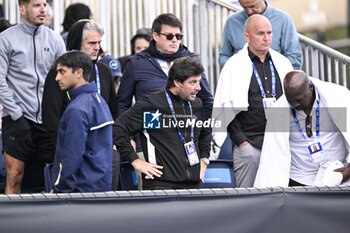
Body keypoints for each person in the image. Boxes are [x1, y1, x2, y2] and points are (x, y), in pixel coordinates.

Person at [212, 15, 293, 187]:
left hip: (279, 145)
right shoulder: (234, 65)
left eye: (269, 33)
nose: (266, 38)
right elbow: (225, 107)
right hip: (249, 146)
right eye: (260, 33)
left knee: (280, 198)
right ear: (247, 37)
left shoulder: (283, 63)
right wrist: (242, 142)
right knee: (247, 201)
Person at [115, 56, 211, 190]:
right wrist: (135, 161)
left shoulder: (196, 104)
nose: (198, 88)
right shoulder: (152, 105)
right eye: (193, 82)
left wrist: (204, 159)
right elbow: (119, 129)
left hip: (193, 183)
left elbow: (205, 133)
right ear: (177, 82)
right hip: (161, 184)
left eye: (199, 82)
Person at [0, 0, 65, 194]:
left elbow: (65, 76)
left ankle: (56, 222)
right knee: (15, 175)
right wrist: (16, 114)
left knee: (55, 176)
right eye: (36, 5)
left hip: (48, 119)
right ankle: (9, 223)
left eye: (44, 4)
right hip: (17, 119)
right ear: (22, 9)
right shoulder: (5, 38)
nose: (43, 9)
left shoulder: (55, 39)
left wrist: (57, 113)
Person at [254, 70, 350, 187]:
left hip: (338, 174)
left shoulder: (338, 97)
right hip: (299, 177)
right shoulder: (279, 109)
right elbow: (273, 153)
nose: (295, 105)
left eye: (299, 100)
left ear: (310, 87)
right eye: (291, 101)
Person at [42, 20, 117, 158]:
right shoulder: (59, 71)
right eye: (92, 43)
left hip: (102, 151)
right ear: (78, 43)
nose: (97, 48)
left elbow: (113, 111)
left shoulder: (104, 71)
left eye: (99, 43)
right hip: (70, 149)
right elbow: (51, 117)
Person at [51, 50, 114, 193]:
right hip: (99, 187)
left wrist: (61, 189)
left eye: (62, 71)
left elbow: (72, 153)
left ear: (78, 73)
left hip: (78, 191)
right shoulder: (98, 100)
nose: (57, 78)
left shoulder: (77, 108)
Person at [219, 0, 302, 70]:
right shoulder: (232, 22)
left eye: (252, 6)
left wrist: (267, 72)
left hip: (274, 79)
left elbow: (295, 59)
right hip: (241, 79)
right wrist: (236, 69)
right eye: (244, 7)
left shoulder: (283, 19)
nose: (249, 11)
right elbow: (224, 56)